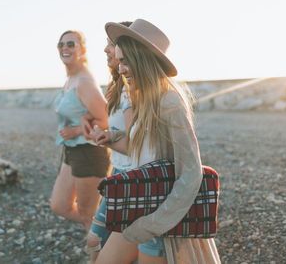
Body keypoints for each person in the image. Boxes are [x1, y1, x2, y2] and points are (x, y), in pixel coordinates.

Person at [90, 19, 221, 263]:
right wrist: (113, 137)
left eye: (126, 61)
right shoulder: (145, 98)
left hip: (159, 222)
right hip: (138, 207)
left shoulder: (169, 100)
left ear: (144, 60)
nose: (121, 69)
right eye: (119, 61)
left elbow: (191, 174)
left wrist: (152, 225)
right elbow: (144, 148)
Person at [50, 30, 112, 232]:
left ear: (82, 50)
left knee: (88, 213)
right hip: (71, 151)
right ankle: (108, 231)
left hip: (89, 152)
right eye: (61, 45)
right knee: (59, 205)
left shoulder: (84, 82)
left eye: (70, 44)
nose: (65, 48)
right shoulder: (71, 79)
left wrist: (77, 130)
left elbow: (107, 119)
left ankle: (98, 256)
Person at [82, 21, 133, 264]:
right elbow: (119, 128)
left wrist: (105, 140)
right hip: (118, 171)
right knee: (102, 240)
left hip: (130, 175)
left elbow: (136, 143)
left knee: (97, 239)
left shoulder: (132, 90)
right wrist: (101, 129)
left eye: (110, 44)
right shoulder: (118, 86)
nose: (105, 50)